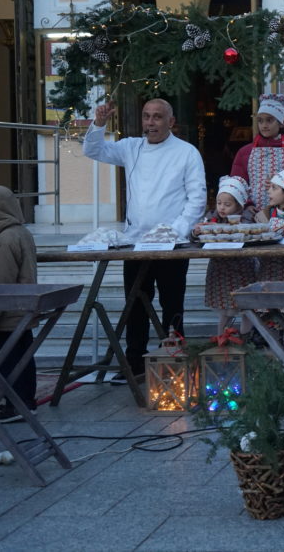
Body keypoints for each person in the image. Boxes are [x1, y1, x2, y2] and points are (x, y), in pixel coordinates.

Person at [83, 99, 206, 380]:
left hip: (172, 245)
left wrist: (175, 232)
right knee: (135, 304)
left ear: (171, 122)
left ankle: (174, 361)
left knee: (173, 304)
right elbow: (93, 149)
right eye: (146, 117)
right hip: (136, 243)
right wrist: (99, 123)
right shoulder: (131, 147)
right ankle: (134, 363)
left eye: (157, 118)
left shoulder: (187, 153)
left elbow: (196, 198)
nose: (151, 123)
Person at [0, 186, 38, 423]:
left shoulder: (5, 240)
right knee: (23, 357)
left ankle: (15, 405)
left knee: (6, 360)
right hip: (20, 309)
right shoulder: (20, 233)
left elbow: (1, 279)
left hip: (7, 313)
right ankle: (26, 403)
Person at [230, 94, 284, 212]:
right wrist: (247, 205)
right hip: (252, 217)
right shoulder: (244, 153)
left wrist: (283, 185)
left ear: (280, 123)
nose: (264, 125)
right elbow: (236, 184)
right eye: (260, 121)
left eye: (269, 120)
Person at [195, 175, 258, 333]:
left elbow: (250, 235)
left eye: (227, 204)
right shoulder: (211, 218)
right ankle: (221, 341)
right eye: (219, 203)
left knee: (246, 308)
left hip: (243, 270)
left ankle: (245, 340)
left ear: (239, 205)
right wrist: (196, 232)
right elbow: (197, 237)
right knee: (225, 309)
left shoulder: (247, 219)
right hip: (220, 271)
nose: (222, 208)